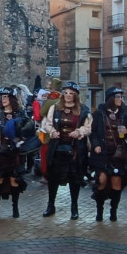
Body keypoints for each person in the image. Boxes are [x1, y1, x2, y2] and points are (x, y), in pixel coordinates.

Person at [41, 81, 92, 220]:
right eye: (66, 93)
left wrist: (79, 131)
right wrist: (52, 132)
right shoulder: (55, 108)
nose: (68, 95)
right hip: (57, 147)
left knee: (74, 178)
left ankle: (74, 207)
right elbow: (47, 123)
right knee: (53, 178)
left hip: (75, 149)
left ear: (75, 95)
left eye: (71, 93)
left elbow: (88, 127)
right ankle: (50, 205)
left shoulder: (83, 110)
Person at [88, 87, 127, 222]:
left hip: (118, 154)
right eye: (118, 97)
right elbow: (93, 132)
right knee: (101, 181)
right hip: (102, 153)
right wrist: (96, 145)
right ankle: (99, 210)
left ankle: (113, 211)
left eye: (121, 97)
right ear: (111, 99)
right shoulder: (99, 113)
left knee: (116, 183)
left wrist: (126, 131)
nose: (120, 99)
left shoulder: (125, 113)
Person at [0, 87, 35, 219]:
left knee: (15, 179)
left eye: (5, 97)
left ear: (11, 98)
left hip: (16, 151)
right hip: (1, 150)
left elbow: (28, 128)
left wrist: (20, 134)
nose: (3, 100)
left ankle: (15, 208)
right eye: (1, 97)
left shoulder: (20, 113)